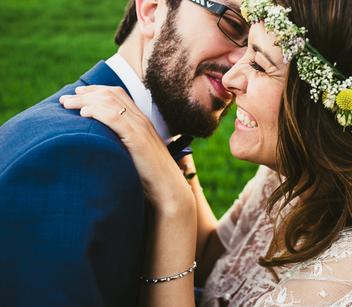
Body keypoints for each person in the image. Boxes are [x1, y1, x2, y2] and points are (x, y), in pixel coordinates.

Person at [62, 0, 352, 306]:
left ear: (326, 108)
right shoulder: (290, 174)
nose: (233, 78)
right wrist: (170, 140)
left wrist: (174, 204)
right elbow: (212, 256)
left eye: (260, 64)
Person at [0, 0, 249, 306]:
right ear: (152, 10)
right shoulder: (76, 160)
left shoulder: (142, 149)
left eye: (258, 50)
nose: (243, 67)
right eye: (234, 25)